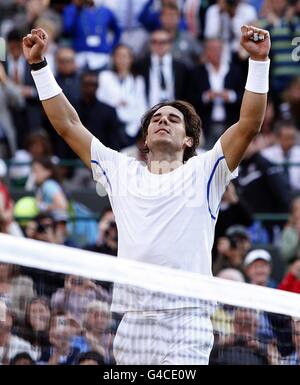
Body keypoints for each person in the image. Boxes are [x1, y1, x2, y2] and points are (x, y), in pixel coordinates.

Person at [23, 24, 271, 365]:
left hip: (186, 317)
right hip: (133, 321)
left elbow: (249, 124)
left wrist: (258, 63)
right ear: (145, 139)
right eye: (156, 118)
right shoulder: (121, 170)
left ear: (188, 141)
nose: (162, 121)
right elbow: (68, 125)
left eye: (173, 118)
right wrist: (38, 67)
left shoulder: (206, 171)